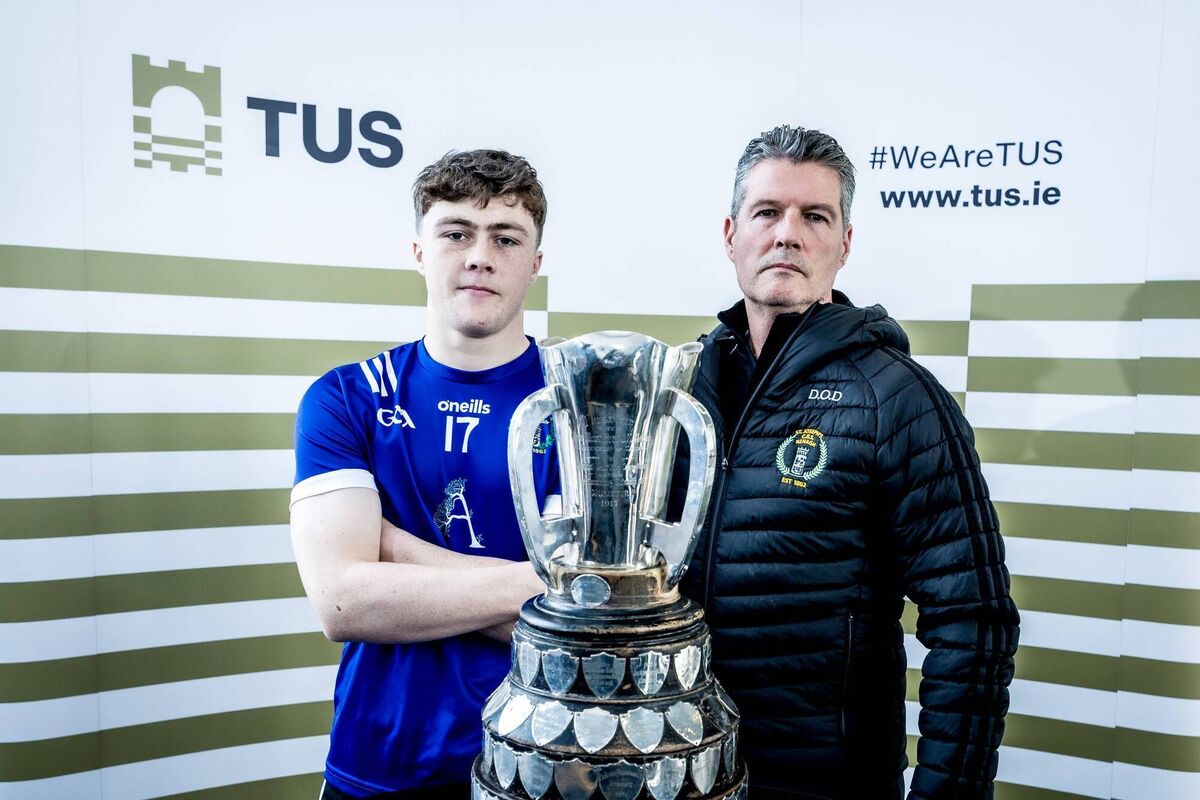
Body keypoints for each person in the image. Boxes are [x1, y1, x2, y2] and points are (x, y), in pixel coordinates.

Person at [678, 125, 1020, 799]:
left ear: (844, 244)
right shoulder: (684, 387)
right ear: (731, 234)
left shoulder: (895, 396)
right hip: (682, 770)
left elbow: (973, 619)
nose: (787, 234)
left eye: (815, 216)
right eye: (767, 212)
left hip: (825, 785)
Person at [289, 149, 557, 798]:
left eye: (505, 237)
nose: (480, 256)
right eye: (456, 233)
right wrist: (544, 586)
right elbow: (342, 601)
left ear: (535, 262)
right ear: (418, 251)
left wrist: (392, 549)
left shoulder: (583, 407)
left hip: (540, 762)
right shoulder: (346, 397)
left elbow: (588, 626)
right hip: (379, 765)